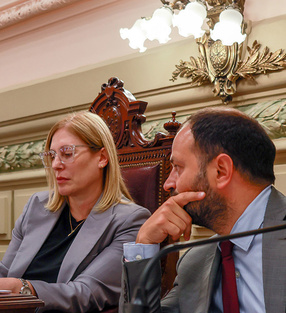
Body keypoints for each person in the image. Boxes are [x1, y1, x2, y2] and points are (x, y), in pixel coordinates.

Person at [0, 111, 150, 312]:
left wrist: (24, 288)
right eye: (52, 155)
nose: (56, 164)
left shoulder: (130, 221)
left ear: (102, 157)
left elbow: (88, 293)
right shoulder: (38, 206)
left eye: (67, 153)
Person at [120, 107, 286, 313]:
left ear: (221, 171)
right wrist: (144, 245)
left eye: (178, 167)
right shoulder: (194, 261)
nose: (168, 184)